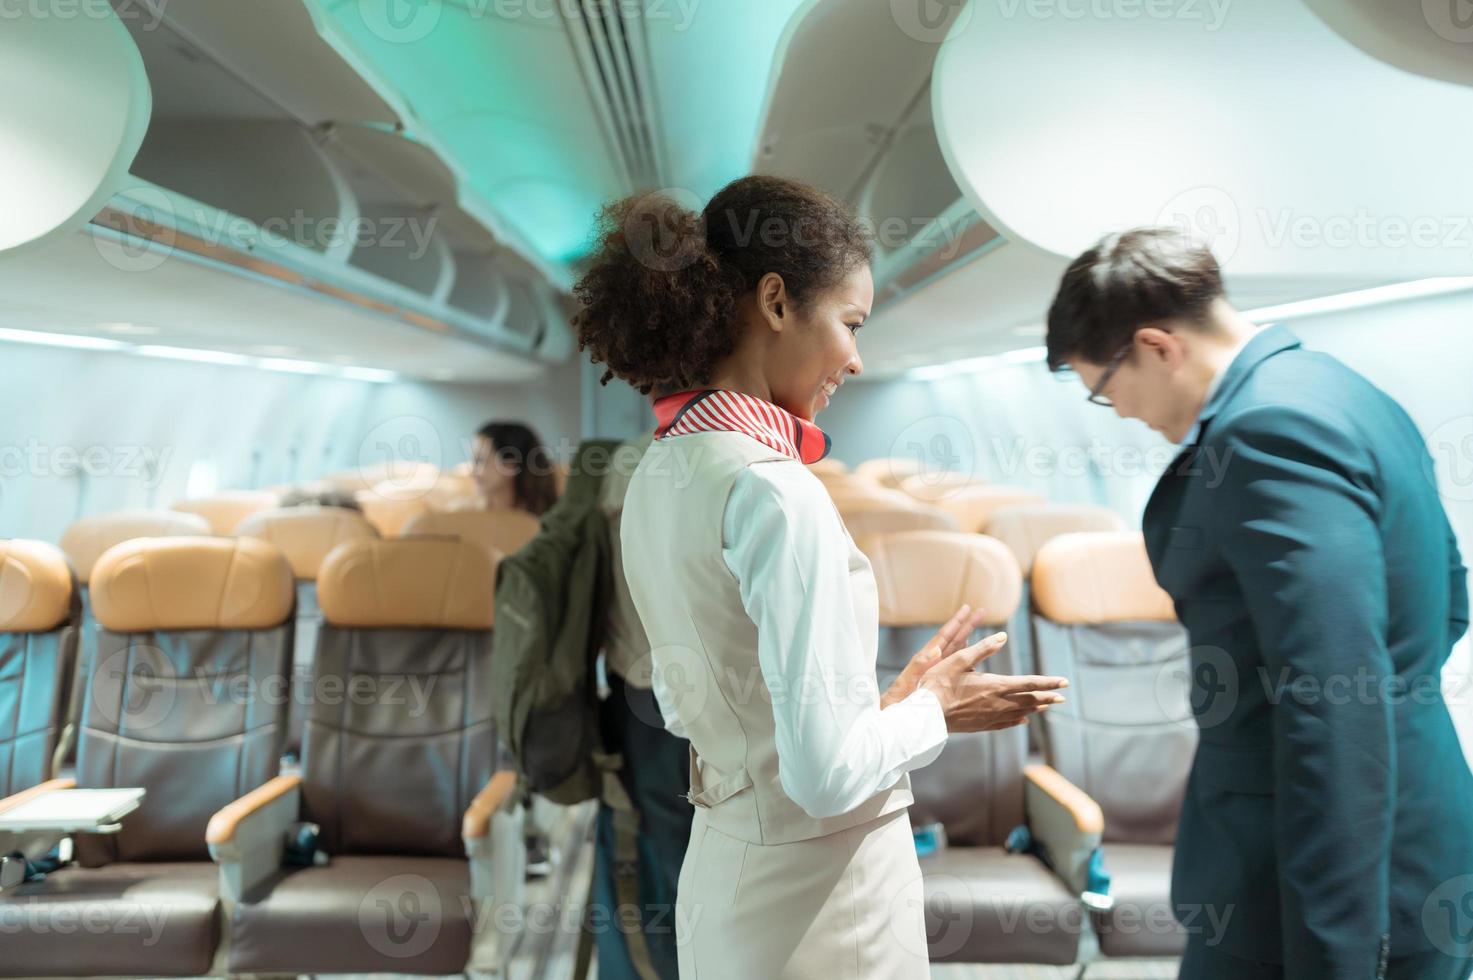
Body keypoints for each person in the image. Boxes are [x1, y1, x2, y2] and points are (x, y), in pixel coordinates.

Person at [572, 175, 1070, 979]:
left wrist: (881, 709)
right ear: (775, 302)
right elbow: (824, 776)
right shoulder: (773, 490)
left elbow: (690, 700)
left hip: (727, 876)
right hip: (818, 909)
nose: (856, 356)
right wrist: (932, 711)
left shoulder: (661, 470)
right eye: (849, 322)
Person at [1045, 227, 1473, 980]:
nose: (1116, 412)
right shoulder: (1348, 391)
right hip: (1416, 848)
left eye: (1103, 388)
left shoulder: (1262, 434)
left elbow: (1331, 699)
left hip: (1311, 883)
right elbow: (1448, 603)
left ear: (1155, 346)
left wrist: (1333, 949)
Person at [470, 420, 559, 516]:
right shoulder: (470, 516)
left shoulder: (550, 522)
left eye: (480, 461)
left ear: (510, 465)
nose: (472, 472)